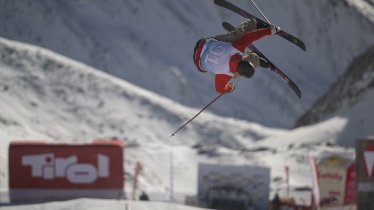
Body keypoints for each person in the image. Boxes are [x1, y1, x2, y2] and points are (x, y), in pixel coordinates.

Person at [193, 18, 280, 93]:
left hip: (204, 44)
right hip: (199, 56)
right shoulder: (223, 74)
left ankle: (256, 57)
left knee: (237, 36)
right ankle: (255, 59)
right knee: (238, 39)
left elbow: (250, 37)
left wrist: (269, 31)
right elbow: (219, 89)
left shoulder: (227, 71)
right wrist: (228, 88)